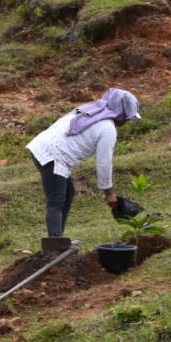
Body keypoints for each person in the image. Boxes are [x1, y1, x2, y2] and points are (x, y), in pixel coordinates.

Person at [26, 88, 141, 239]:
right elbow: (104, 163)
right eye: (127, 117)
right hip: (53, 156)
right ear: (120, 113)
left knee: (68, 193)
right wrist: (110, 193)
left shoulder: (90, 110)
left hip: (43, 147)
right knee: (56, 200)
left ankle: (58, 241)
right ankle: (54, 247)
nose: (127, 121)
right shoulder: (108, 129)